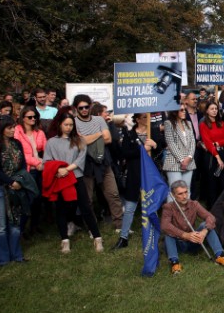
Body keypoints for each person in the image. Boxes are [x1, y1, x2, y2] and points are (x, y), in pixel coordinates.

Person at [43, 111, 104, 253]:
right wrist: (59, 170)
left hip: (76, 177)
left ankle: (97, 237)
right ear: (59, 124)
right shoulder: (51, 142)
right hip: (60, 179)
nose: (69, 127)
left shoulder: (79, 140)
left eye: (71, 125)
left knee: (85, 207)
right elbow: (47, 161)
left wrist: (67, 169)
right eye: (66, 124)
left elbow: (80, 159)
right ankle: (64, 240)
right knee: (61, 209)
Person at [0, 115, 34, 265]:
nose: (13, 130)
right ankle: (3, 259)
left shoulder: (17, 143)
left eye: (14, 127)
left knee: (15, 222)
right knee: (1, 225)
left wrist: (18, 181)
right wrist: (10, 181)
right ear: (0, 130)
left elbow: (23, 164)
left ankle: (17, 255)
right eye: (10, 128)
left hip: (16, 187)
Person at [73, 94, 124, 228]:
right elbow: (79, 142)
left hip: (104, 161)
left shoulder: (99, 120)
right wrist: (98, 134)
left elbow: (108, 139)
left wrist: (87, 138)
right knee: (87, 199)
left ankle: (119, 224)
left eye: (87, 107)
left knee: (113, 193)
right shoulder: (73, 123)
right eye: (81, 107)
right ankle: (92, 226)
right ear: (76, 108)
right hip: (85, 163)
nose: (84, 109)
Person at [160, 180, 224, 275]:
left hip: (193, 242)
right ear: (173, 195)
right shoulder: (168, 207)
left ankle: (220, 256)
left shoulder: (194, 204)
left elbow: (210, 217)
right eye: (180, 194)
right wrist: (185, 235)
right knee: (168, 234)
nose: (184, 196)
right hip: (178, 244)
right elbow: (165, 226)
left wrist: (204, 231)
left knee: (205, 225)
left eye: (186, 192)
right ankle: (175, 263)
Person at [112, 113, 161, 249]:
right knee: (129, 207)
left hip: (150, 173)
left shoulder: (154, 131)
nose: (148, 119)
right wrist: (142, 149)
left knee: (152, 205)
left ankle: (154, 234)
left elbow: (161, 147)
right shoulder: (129, 134)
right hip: (135, 173)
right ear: (138, 119)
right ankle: (124, 236)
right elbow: (125, 153)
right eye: (145, 117)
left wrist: (155, 145)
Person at [14, 106, 47, 235]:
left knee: (38, 198)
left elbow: (46, 148)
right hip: (28, 169)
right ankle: (21, 228)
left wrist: (43, 162)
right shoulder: (17, 131)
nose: (33, 119)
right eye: (30, 117)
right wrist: (37, 162)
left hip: (40, 168)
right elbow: (20, 153)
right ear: (23, 118)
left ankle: (34, 225)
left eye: (35, 117)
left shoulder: (39, 132)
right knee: (29, 198)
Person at [198, 101, 224, 208]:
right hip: (211, 156)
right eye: (212, 109)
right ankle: (212, 208)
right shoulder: (203, 125)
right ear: (207, 111)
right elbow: (207, 142)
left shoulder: (222, 123)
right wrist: (217, 157)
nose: (214, 111)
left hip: (222, 152)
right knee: (212, 182)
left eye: (216, 108)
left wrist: (217, 143)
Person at [163, 107, 196, 198]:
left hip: (189, 161)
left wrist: (189, 157)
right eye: (181, 110)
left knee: (187, 190)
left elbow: (193, 141)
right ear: (174, 112)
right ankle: (171, 212)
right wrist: (182, 159)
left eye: (185, 109)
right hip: (174, 161)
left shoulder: (188, 123)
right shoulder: (168, 123)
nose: (184, 111)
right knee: (175, 191)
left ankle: (186, 212)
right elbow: (170, 143)